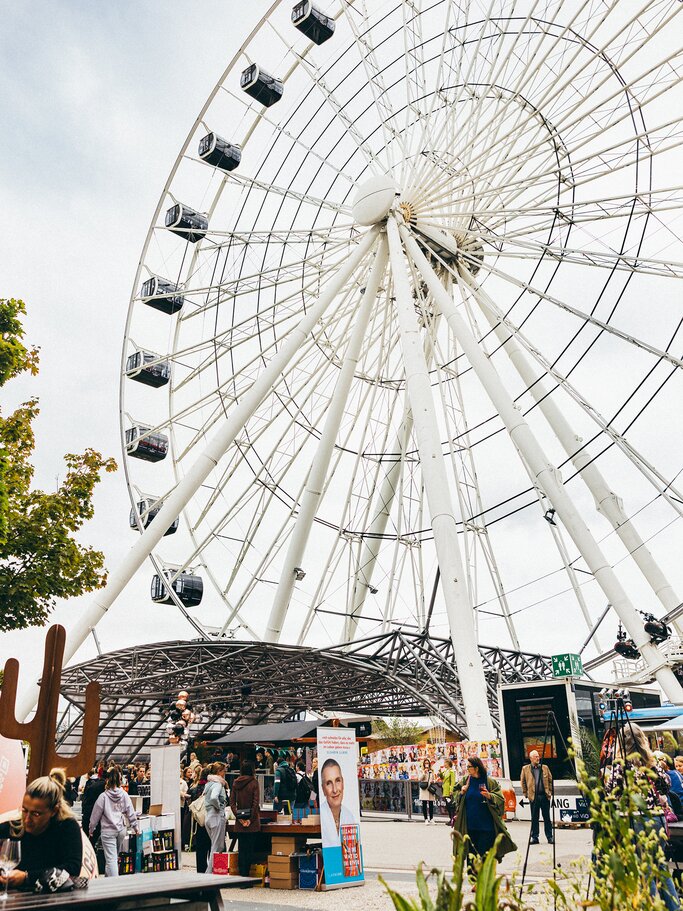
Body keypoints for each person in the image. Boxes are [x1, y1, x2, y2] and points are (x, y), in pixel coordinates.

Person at [604, 723, 680, 911]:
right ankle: (674, 907)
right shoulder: (652, 762)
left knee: (643, 869)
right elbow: (666, 786)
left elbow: (610, 791)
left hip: (635, 820)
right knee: (660, 867)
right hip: (658, 819)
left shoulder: (621, 764)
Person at [0, 769, 85, 892]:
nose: (27, 819)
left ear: (54, 811)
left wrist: (26, 877)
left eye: (36, 814)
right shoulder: (12, 828)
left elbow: (72, 869)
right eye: (24, 810)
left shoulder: (67, 828)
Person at [452, 756, 516, 872]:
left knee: (485, 856)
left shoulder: (489, 782)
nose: (467, 769)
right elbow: (454, 794)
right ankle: (475, 881)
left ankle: (486, 880)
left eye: (469, 767)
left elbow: (500, 799)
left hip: (487, 827)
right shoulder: (466, 780)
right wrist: (461, 792)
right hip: (469, 826)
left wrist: (490, 796)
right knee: (471, 856)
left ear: (476, 768)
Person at [89, 766, 139, 877]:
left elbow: (95, 815)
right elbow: (130, 811)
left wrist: (91, 829)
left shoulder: (103, 797)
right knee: (113, 858)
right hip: (121, 829)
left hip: (108, 831)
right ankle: (108, 880)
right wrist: (135, 827)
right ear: (119, 780)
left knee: (111, 859)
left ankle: (114, 884)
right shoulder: (124, 795)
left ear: (107, 780)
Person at [229, 760, 261, 881]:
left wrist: (239, 817)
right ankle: (247, 877)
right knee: (250, 850)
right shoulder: (254, 782)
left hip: (240, 822)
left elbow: (232, 802)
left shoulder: (235, 783)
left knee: (241, 849)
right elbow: (255, 802)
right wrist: (250, 819)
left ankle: (242, 876)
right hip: (252, 823)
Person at [319, 758, 358, 847]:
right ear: (323, 789)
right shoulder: (320, 815)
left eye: (337, 781)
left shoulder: (349, 816)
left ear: (343, 783)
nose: (335, 790)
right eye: (329, 783)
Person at [520, 749, 553, 845]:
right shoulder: (525, 769)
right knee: (534, 818)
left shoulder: (545, 767)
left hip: (544, 796)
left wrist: (550, 792)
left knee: (547, 817)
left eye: (538, 756)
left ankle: (550, 837)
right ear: (531, 758)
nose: (538, 758)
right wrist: (525, 793)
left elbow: (550, 780)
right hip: (533, 797)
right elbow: (523, 782)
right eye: (536, 757)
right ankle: (535, 837)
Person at [203, 762, 228, 873]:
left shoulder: (209, 783)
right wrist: (218, 806)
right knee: (217, 847)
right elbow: (214, 797)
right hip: (216, 816)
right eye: (224, 771)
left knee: (215, 845)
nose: (225, 773)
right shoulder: (218, 784)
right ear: (219, 772)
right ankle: (209, 873)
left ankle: (217, 870)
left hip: (208, 816)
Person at [189, 765, 212, 873]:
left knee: (201, 851)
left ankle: (201, 873)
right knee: (212, 849)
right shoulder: (212, 788)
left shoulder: (195, 789)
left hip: (199, 824)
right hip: (211, 822)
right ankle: (211, 871)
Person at [80, 768, 105, 846]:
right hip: (100, 816)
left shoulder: (91, 785)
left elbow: (85, 801)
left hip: (88, 812)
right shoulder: (104, 787)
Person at [419, 759, 436, 825]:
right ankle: (426, 819)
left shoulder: (432, 771)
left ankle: (431, 818)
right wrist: (424, 773)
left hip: (430, 788)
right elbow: (420, 779)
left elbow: (434, 778)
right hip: (424, 789)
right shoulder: (421, 770)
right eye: (425, 763)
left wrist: (433, 781)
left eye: (428, 763)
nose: (427, 764)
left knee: (431, 804)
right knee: (424, 804)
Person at [440, 758, 457, 823]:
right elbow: (442, 778)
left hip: (448, 790)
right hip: (444, 789)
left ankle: (453, 819)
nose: (444, 764)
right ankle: (450, 818)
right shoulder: (445, 771)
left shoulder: (451, 771)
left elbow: (452, 781)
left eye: (445, 763)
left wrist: (451, 790)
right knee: (447, 805)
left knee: (450, 805)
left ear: (448, 763)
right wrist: (440, 772)